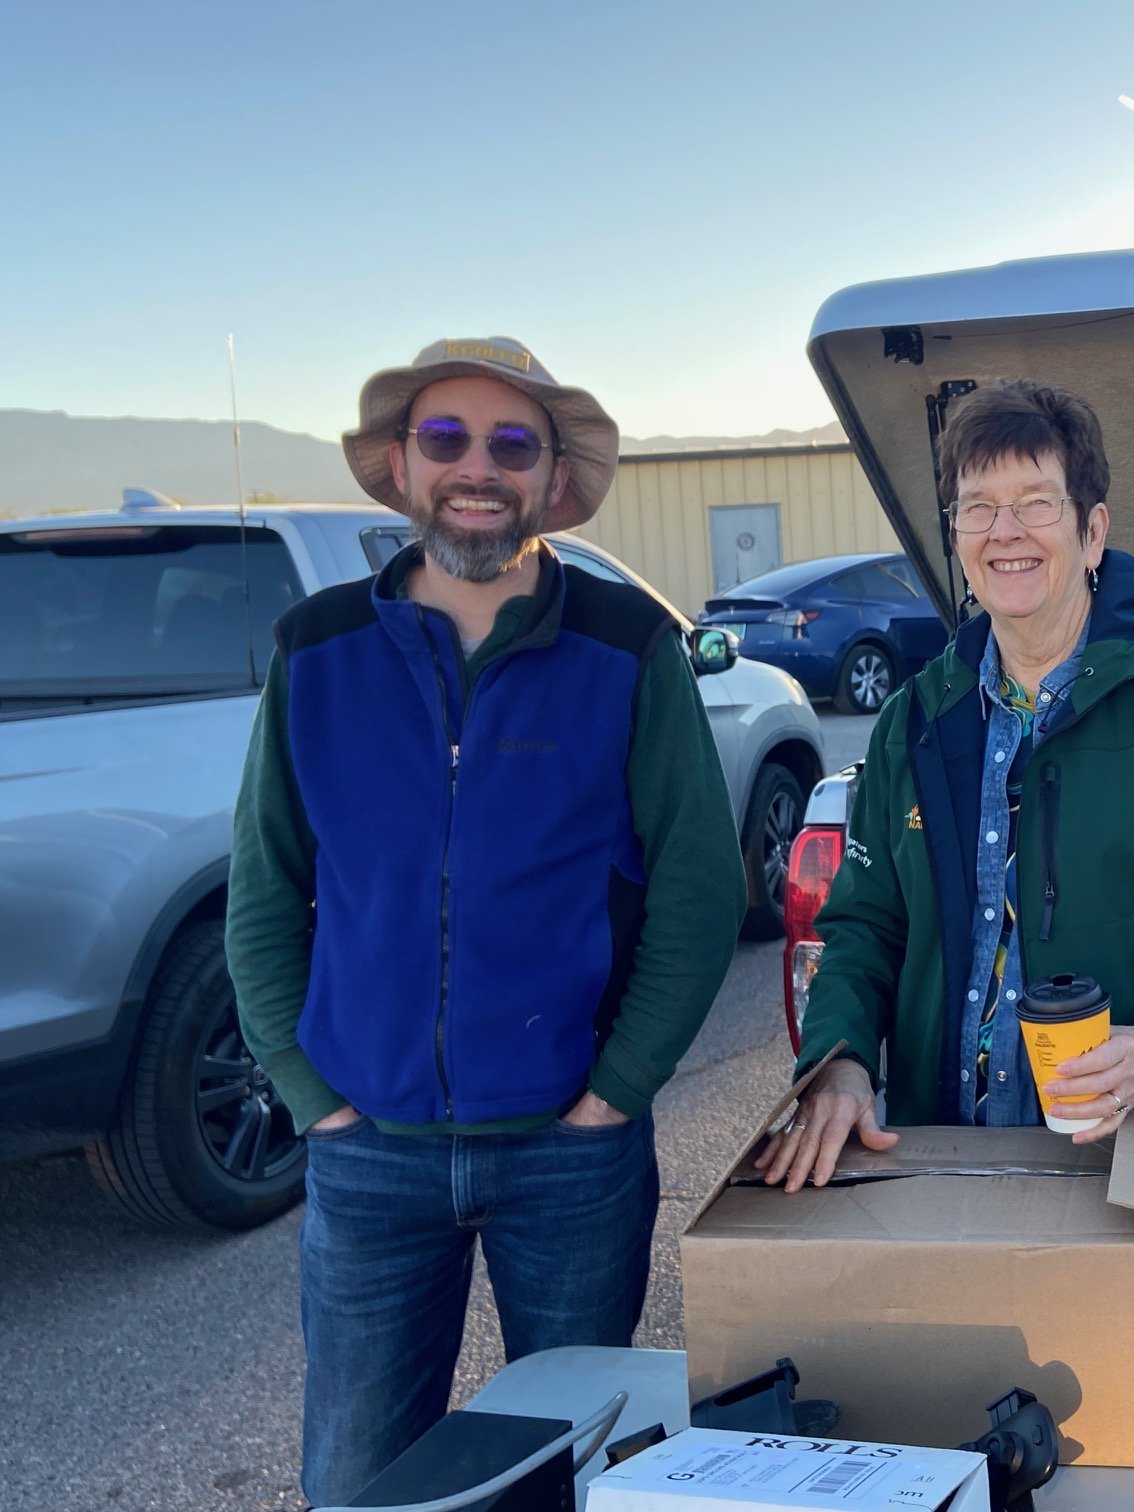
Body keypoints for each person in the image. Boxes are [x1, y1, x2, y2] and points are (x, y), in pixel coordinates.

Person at [226, 336, 745, 1506]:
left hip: (569, 1156)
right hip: (369, 1162)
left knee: (570, 1477)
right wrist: (319, 1102)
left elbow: (700, 890)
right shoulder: (316, 655)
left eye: (513, 444)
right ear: (403, 467)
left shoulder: (627, 649)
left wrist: (614, 1093)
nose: (478, 467)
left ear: (551, 478)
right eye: (447, 439)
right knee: (360, 1483)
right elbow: (264, 891)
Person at [756, 379, 1134, 1202]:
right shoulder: (914, 720)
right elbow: (864, 929)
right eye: (977, 508)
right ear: (954, 535)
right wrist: (840, 1060)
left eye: (1035, 503)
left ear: (1093, 534)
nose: (1005, 533)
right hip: (944, 1167)